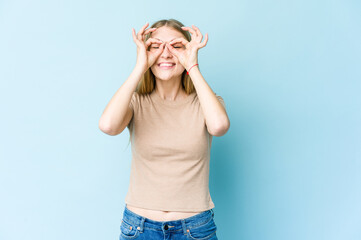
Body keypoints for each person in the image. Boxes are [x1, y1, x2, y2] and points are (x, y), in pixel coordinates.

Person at [99, 19, 230, 240]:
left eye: (176, 46)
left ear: (188, 50)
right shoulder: (135, 102)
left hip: (195, 229)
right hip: (138, 228)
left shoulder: (206, 102)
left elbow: (219, 127)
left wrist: (192, 66)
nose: (166, 54)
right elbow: (108, 126)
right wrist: (141, 66)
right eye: (156, 46)